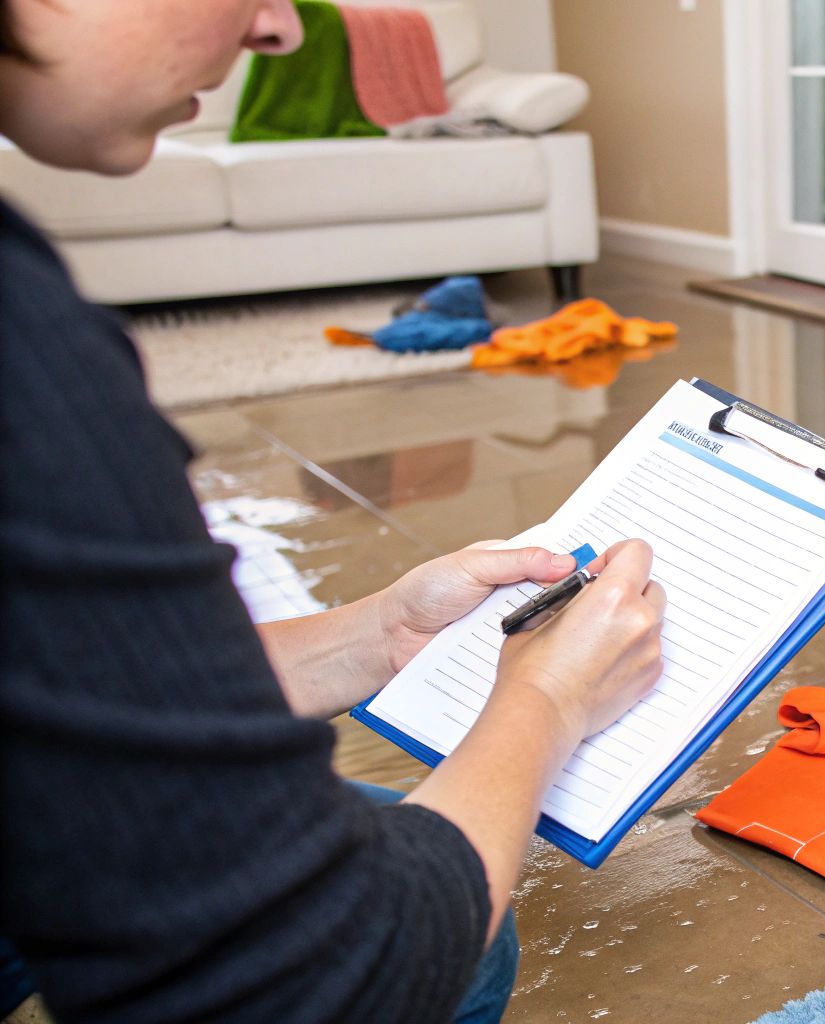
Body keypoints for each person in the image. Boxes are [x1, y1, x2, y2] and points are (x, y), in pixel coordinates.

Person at [0, 2, 667, 1020]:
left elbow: (55, 678)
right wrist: (550, 703)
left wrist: (373, 634)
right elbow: (313, 971)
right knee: (416, 920)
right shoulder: (25, 348)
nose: (277, 28)